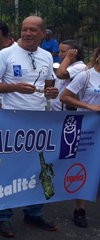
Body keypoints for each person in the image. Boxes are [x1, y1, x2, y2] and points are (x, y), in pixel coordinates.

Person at [0, 16, 59, 237]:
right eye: (24, 29)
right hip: (11, 121)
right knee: (9, 171)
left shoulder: (47, 55)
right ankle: (3, 217)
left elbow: (50, 84)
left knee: (39, 169)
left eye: (33, 30)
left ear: (43, 33)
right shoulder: (6, 54)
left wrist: (52, 92)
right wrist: (16, 87)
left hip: (39, 122)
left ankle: (34, 212)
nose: (27, 33)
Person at [60, 46, 100, 228]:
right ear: (97, 56)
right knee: (84, 168)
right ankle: (80, 209)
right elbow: (65, 97)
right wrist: (89, 106)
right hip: (88, 128)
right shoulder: (86, 75)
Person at [52, 40, 86, 111]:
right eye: (59, 51)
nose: (60, 54)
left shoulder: (80, 66)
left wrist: (68, 58)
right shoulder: (66, 66)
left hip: (66, 111)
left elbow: (60, 74)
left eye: (63, 52)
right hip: (57, 110)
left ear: (74, 53)